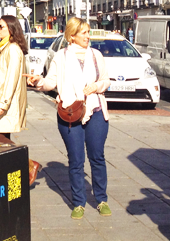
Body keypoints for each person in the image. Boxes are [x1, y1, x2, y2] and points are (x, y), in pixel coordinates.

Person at [28, 17, 112, 219]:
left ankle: (101, 199)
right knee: (76, 160)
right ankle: (79, 203)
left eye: (88, 32)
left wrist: (96, 87)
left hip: (95, 110)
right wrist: (39, 82)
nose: (88, 36)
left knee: (97, 156)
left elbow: (106, 80)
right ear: (72, 35)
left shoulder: (96, 55)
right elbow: (51, 82)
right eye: (84, 33)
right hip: (69, 112)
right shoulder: (61, 56)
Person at [0, 16, 41, 186]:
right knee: (2, 145)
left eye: (1, 27)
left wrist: (2, 105)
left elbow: (11, 79)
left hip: (6, 102)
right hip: (1, 100)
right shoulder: (5, 48)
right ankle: (12, 182)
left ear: (11, 29)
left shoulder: (13, 50)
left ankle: (29, 163)